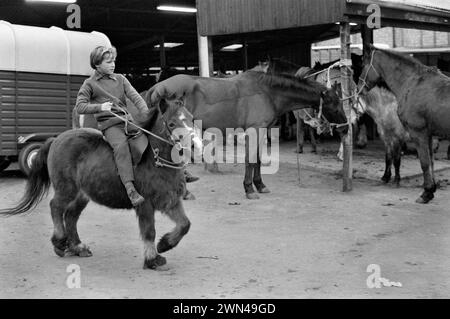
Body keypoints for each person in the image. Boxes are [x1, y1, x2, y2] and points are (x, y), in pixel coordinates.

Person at [75, 46, 150, 206]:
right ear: (97, 64)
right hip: (109, 125)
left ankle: (176, 172)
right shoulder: (89, 84)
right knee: (121, 147)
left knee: (149, 137)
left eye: (113, 61)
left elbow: (136, 97)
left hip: (126, 120)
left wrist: (146, 113)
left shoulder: (121, 79)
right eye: (108, 62)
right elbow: (80, 106)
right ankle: (130, 190)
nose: (113, 64)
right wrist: (100, 108)